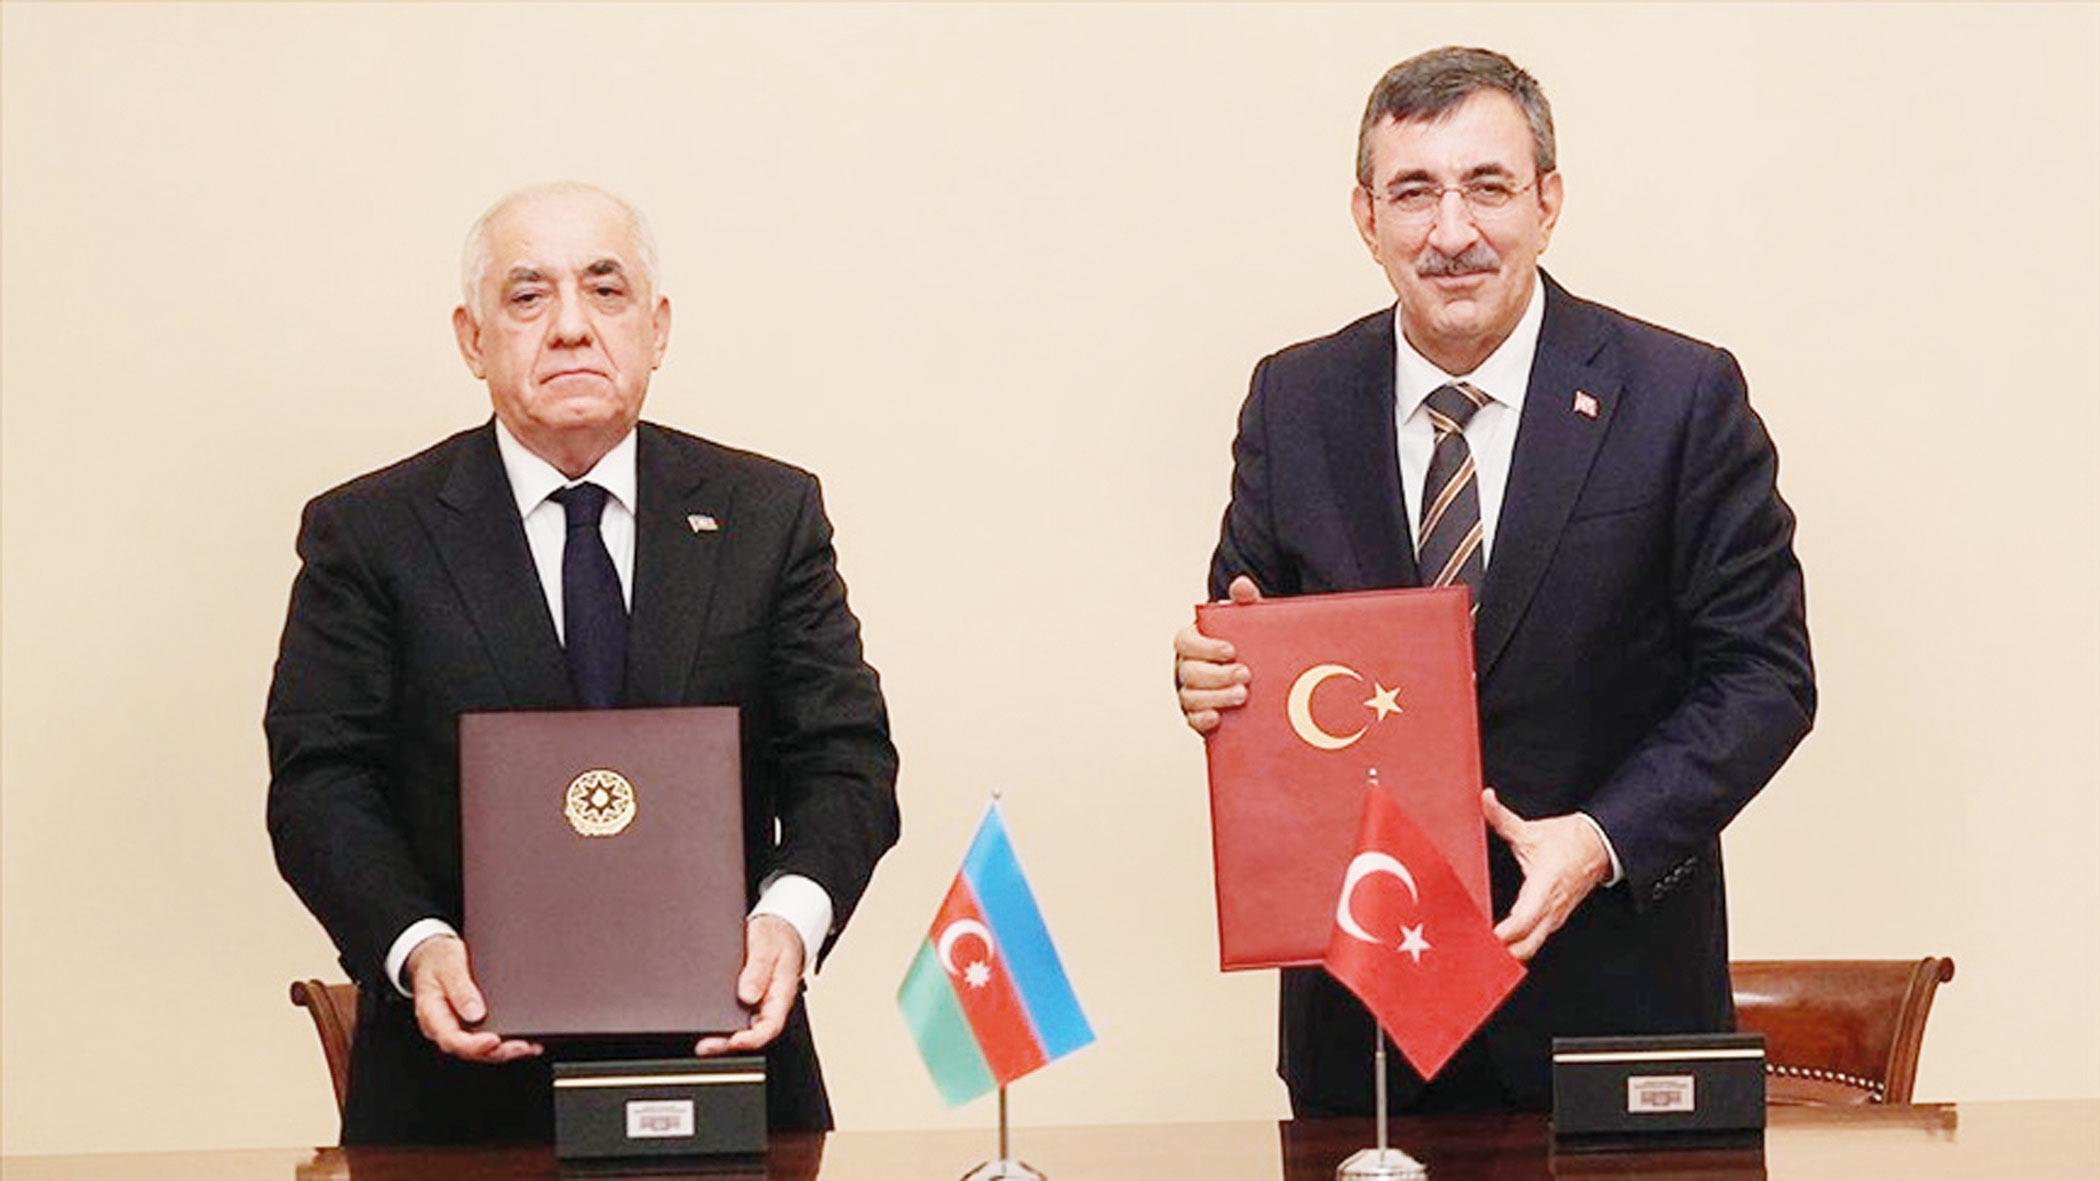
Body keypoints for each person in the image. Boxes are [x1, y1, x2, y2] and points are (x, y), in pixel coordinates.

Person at [1172, 47, 1814, 1114]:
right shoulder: (1295, 400)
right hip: (1365, 1024)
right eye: (1414, 192)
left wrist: (1601, 839)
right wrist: (1212, 679)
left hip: (1610, 998)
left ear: (1547, 203)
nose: (1452, 230)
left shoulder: (1679, 395)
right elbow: (1250, 641)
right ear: (1366, 216)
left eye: (1488, 186)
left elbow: (1765, 678)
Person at [266, 182, 899, 1142]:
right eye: (528, 296)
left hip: (727, 1068)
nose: (570, 326)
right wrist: (417, 944)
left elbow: (845, 756)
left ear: (658, 327)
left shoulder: (768, 515)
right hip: (456, 1093)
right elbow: (320, 782)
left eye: (605, 291)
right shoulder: (369, 533)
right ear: (473, 339)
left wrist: (790, 920)